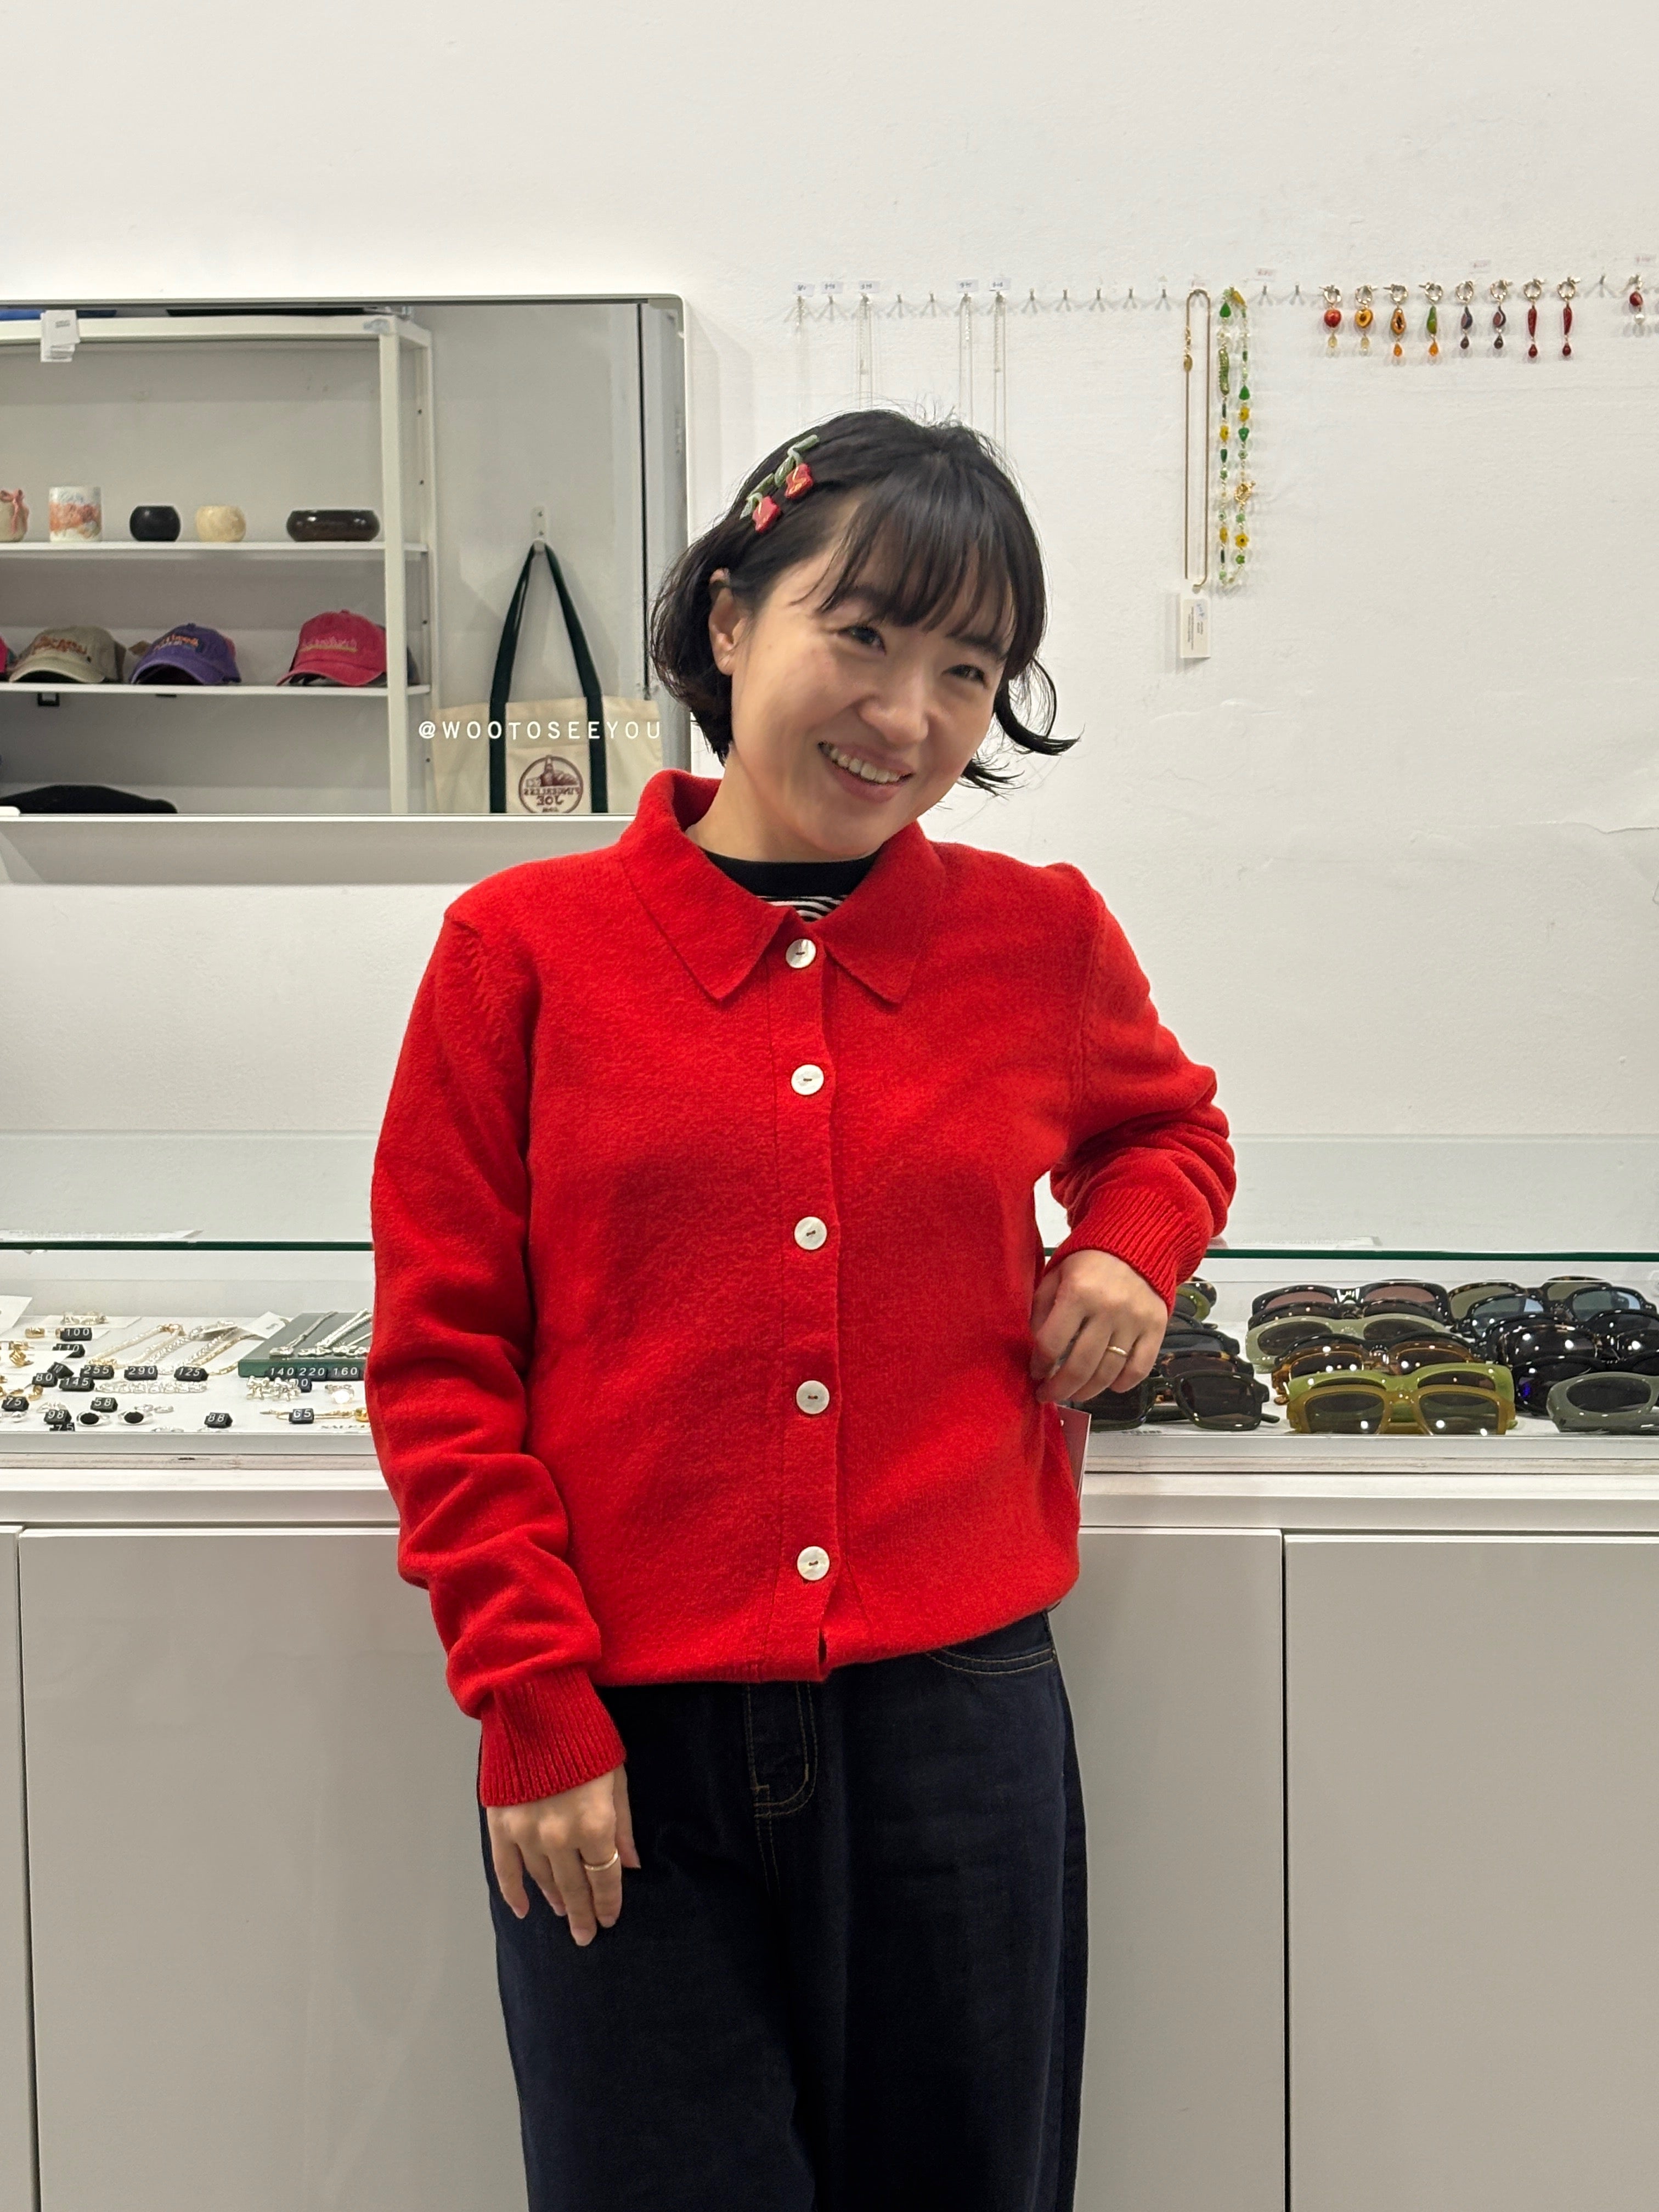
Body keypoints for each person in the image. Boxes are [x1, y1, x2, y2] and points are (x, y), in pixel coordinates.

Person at [365, 407, 1234, 2211]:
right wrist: (531, 1701)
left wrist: (1130, 1245)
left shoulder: (1039, 940)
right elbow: (444, 1361)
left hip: (956, 1735)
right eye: (863, 634)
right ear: (732, 617)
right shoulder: (521, 953)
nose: (907, 715)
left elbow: (1172, 1129)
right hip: (622, 1747)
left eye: (969, 670)